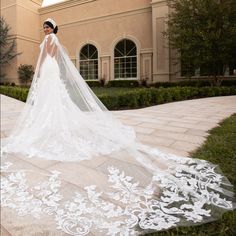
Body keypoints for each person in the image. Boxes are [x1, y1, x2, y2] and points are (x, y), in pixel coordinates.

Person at [1, 18, 235, 236]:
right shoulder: (52, 39)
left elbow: (47, 57)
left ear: (53, 29)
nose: (45, 29)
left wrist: (39, 70)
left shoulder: (50, 40)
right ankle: (49, 124)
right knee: (51, 102)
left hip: (48, 70)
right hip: (52, 72)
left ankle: (47, 126)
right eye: (44, 27)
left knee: (49, 101)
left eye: (47, 26)